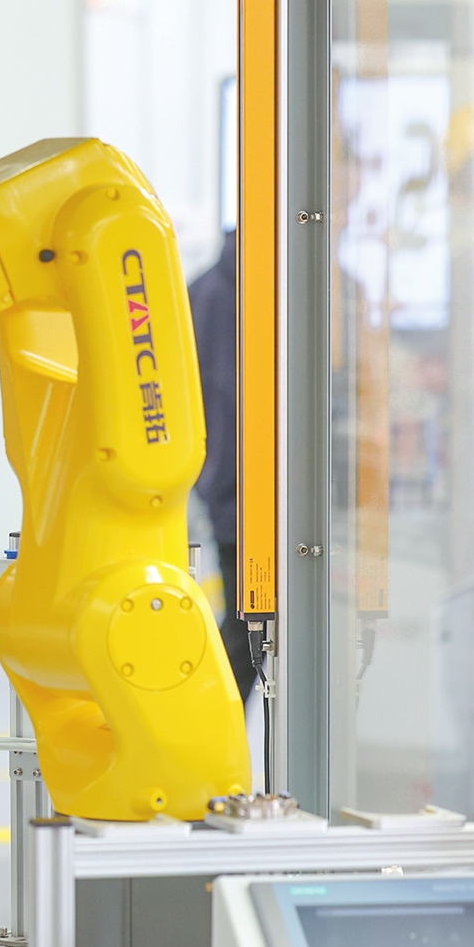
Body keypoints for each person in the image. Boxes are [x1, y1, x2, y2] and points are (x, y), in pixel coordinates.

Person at [187, 230, 257, 704]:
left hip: (240, 496)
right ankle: (198, 745)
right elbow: (223, 405)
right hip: (243, 500)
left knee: (247, 633)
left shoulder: (214, 286)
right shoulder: (225, 295)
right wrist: (226, 493)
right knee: (247, 636)